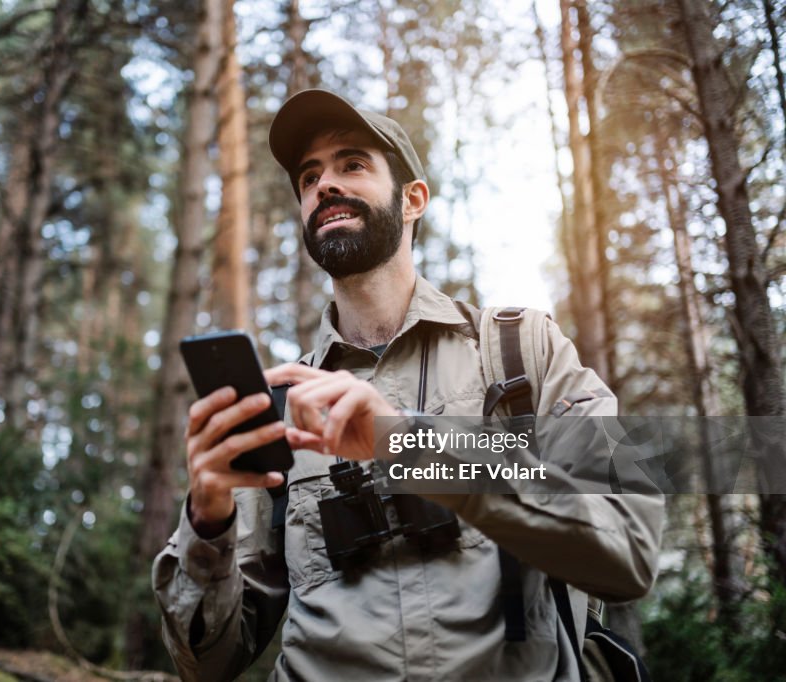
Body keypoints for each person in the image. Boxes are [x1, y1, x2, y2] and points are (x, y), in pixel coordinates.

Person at [152, 89, 663, 681]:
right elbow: (206, 662)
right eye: (309, 176)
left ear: (413, 199)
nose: (324, 185)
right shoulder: (282, 409)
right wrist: (207, 521)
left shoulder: (522, 352)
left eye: (353, 164)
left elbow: (628, 549)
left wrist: (415, 447)